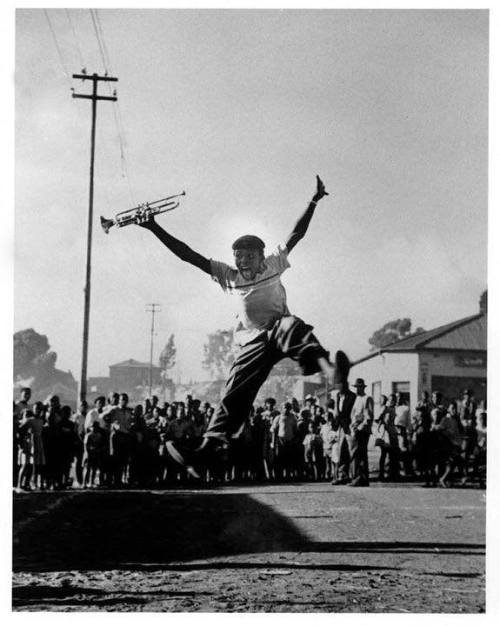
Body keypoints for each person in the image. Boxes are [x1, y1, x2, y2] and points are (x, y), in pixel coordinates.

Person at [138, 176, 351, 478]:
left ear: (261, 257)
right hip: (250, 345)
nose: (243, 261)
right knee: (231, 397)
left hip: (276, 332)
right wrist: (154, 227)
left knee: (293, 326)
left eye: (249, 256)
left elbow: (297, 233)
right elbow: (187, 254)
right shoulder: (228, 275)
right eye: (238, 256)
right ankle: (205, 453)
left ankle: (331, 371)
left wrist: (314, 201)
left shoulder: (275, 263)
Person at [346, 378, 373, 486]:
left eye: (359, 387)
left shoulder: (367, 398)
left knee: (361, 454)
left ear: (363, 387)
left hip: (362, 429)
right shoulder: (355, 399)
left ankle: (362, 478)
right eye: (356, 387)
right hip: (354, 428)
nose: (357, 389)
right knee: (355, 454)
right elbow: (352, 414)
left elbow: (369, 416)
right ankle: (357, 477)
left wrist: (361, 426)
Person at [331, 380, 356, 484]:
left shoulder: (352, 396)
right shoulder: (337, 396)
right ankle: (342, 476)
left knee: (352, 451)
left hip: (350, 426)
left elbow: (353, 411)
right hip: (341, 427)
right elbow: (337, 413)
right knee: (342, 451)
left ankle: (354, 476)